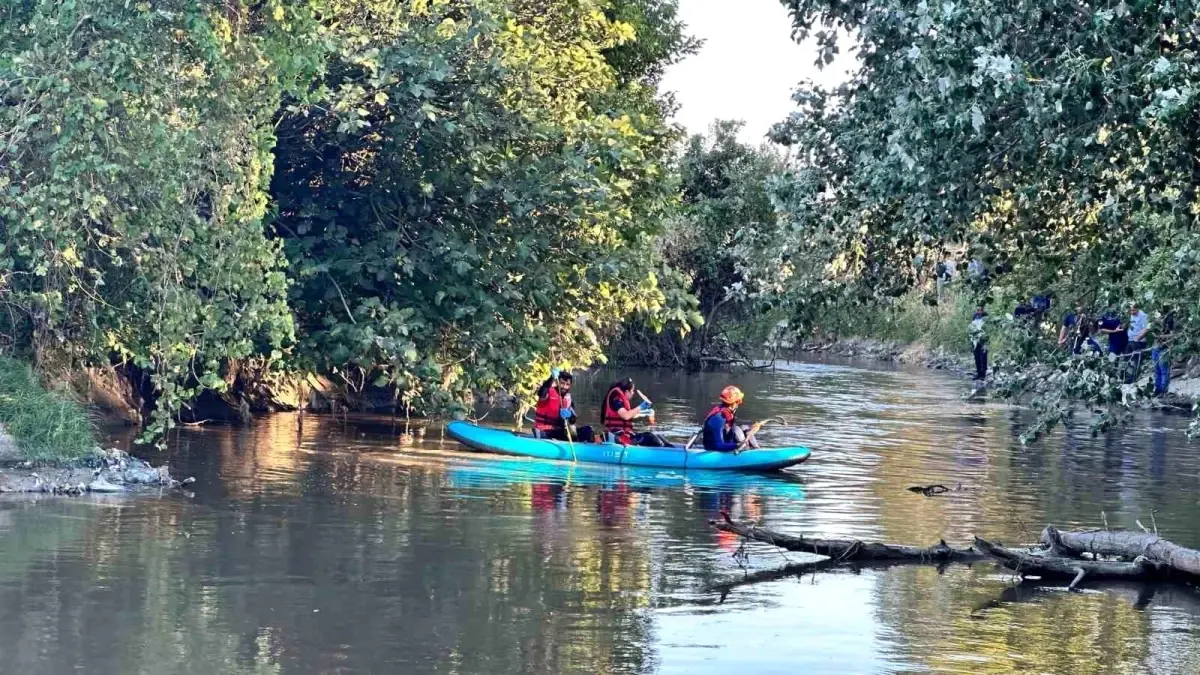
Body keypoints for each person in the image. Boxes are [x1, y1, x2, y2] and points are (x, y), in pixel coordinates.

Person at [600, 378, 670, 447]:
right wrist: (641, 406)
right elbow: (626, 416)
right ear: (627, 392)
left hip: (623, 436)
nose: (633, 393)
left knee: (658, 436)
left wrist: (645, 412)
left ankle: (674, 451)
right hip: (617, 437)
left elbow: (630, 415)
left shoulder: (619, 400)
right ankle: (667, 454)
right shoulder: (616, 399)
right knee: (651, 437)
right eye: (632, 391)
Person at [533, 369, 594, 443]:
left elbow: (573, 421)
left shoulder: (568, 399)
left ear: (570, 385)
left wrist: (570, 415)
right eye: (562, 383)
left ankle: (587, 448)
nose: (564, 387)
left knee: (588, 430)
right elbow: (541, 393)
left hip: (558, 431)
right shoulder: (548, 393)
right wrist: (551, 378)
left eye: (567, 384)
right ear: (557, 382)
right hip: (543, 431)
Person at [702, 386, 760, 452]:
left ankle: (756, 450)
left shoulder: (728, 412)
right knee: (736, 429)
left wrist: (752, 428)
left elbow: (728, 431)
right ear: (733, 403)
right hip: (715, 449)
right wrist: (737, 445)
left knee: (745, 428)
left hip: (725, 443)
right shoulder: (718, 418)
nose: (739, 403)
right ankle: (748, 452)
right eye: (738, 401)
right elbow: (718, 445)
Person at [1125, 302, 1151, 383]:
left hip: (1139, 341)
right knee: (1128, 358)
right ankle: (1128, 376)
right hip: (1130, 339)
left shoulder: (1143, 316)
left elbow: (1146, 328)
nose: (1132, 312)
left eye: (1134, 310)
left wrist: (1139, 337)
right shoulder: (1131, 314)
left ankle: (1134, 378)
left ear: (1137, 308)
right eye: (1131, 310)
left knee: (1137, 359)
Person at [1153, 307, 1176, 395]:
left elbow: (1173, 335)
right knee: (1156, 369)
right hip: (1155, 346)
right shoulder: (1156, 321)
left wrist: (1163, 338)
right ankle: (1157, 389)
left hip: (1164, 347)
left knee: (1164, 369)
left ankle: (1163, 390)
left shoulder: (1170, 321)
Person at [969, 306, 988, 382]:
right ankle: (978, 373)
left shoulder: (986, 316)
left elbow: (987, 328)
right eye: (978, 310)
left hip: (983, 339)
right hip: (975, 339)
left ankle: (983, 374)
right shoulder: (975, 316)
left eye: (980, 310)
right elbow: (972, 327)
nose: (979, 311)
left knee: (983, 357)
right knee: (977, 357)